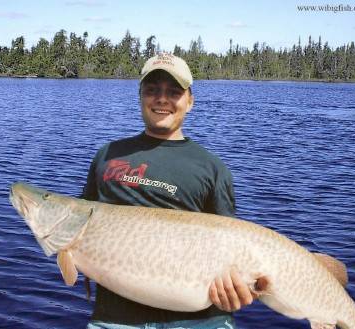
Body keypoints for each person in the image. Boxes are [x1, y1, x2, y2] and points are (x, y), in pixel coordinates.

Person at [81, 53, 254, 329]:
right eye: (152, 90)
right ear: (140, 96)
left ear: (190, 101)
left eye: (174, 92)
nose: (162, 99)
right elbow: (83, 229)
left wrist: (234, 290)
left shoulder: (212, 168)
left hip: (198, 321)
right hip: (116, 319)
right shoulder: (107, 155)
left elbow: (229, 249)